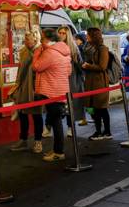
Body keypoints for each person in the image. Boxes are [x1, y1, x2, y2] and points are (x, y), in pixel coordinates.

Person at [32, 28, 71, 162]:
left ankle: (58, 152)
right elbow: (69, 71)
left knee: (56, 122)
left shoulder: (50, 53)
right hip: (61, 90)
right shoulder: (64, 51)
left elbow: (36, 67)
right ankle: (56, 149)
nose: (41, 41)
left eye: (42, 39)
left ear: (47, 39)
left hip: (51, 92)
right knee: (56, 121)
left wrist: (37, 53)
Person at [9, 31, 44, 154]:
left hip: (35, 87)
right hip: (23, 87)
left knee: (36, 115)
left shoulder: (41, 50)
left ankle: (38, 141)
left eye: (28, 39)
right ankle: (23, 139)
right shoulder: (23, 51)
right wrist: (17, 85)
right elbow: (20, 69)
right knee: (22, 114)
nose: (26, 42)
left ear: (35, 40)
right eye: (25, 39)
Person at [82, 27, 112, 140]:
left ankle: (104, 132)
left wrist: (88, 66)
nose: (86, 37)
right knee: (91, 107)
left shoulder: (102, 49)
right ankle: (100, 131)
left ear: (93, 36)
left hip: (99, 82)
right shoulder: (89, 47)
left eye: (88, 35)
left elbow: (102, 66)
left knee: (100, 108)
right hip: (90, 81)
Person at [58, 25, 87, 133]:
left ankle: (71, 126)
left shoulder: (73, 47)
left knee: (71, 104)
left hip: (72, 78)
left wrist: (82, 76)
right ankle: (49, 126)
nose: (61, 35)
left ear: (68, 34)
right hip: (60, 78)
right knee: (59, 104)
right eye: (59, 33)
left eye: (63, 33)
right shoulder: (56, 46)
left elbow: (79, 64)